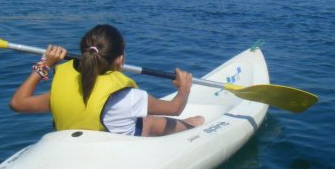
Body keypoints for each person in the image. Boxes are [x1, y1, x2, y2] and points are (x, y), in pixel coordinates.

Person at [10, 24, 204, 136]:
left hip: (74, 144)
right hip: (116, 151)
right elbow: (175, 108)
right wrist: (184, 87)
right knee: (151, 121)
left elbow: (17, 103)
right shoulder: (129, 97)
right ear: (120, 60)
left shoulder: (62, 90)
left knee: (145, 118)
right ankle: (192, 126)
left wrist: (44, 64)